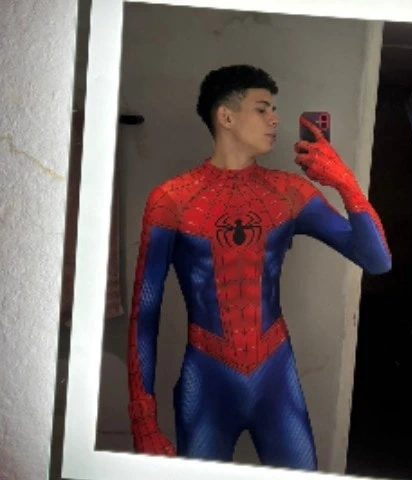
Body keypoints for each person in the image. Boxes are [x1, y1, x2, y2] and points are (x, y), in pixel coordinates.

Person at [127, 64, 391, 471]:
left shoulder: (290, 193)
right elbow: (145, 312)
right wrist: (142, 416)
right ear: (226, 117)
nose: (275, 119)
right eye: (262, 108)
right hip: (207, 376)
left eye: (274, 110)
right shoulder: (172, 200)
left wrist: (344, 182)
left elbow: (377, 260)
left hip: (275, 372)